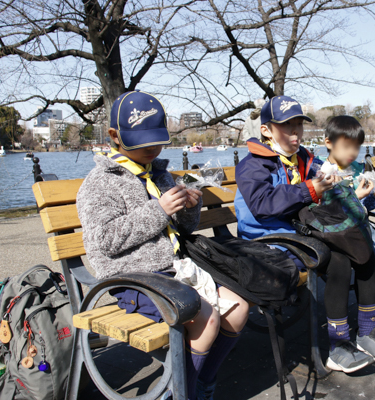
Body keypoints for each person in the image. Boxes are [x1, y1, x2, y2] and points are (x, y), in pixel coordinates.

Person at [76, 90, 249, 400]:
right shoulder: (101, 182)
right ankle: (183, 393)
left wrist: (189, 206)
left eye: (157, 140)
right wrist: (159, 210)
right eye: (142, 142)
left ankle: (199, 386)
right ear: (115, 136)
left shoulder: (161, 174)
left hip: (176, 270)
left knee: (238, 308)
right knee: (205, 317)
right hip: (132, 278)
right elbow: (105, 242)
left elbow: (183, 229)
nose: (152, 148)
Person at [234, 96, 375, 374]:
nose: (296, 133)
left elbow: (330, 182)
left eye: (299, 126)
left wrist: (360, 191)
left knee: (363, 251)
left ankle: (367, 332)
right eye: (287, 126)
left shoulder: (304, 158)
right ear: (267, 130)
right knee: (338, 260)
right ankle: (338, 346)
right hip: (269, 239)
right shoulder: (253, 164)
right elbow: (262, 204)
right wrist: (310, 189)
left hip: (302, 231)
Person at [319, 115, 375, 211]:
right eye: (346, 146)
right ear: (329, 143)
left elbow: (365, 206)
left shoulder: (357, 171)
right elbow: (323, 211)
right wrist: (355, 197)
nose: (353, 152)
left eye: (357, 147)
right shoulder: (318, 170)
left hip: (358, 223)